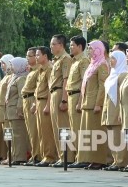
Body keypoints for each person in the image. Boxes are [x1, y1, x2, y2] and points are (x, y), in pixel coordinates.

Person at [75, 41, 109, 170]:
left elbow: (102, 86)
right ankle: (91, 159)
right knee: (88, 134)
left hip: (94, 104)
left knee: (96, 133)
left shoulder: (102, 64)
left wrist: (98, 104)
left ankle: (99, 160)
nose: (89, 51)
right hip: (87, 103)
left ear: (98, 50)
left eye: (91, 49)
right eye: (88, 48)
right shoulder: (92, 64)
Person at [49, 34, 74, 167]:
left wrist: (64, 100)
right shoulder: (57, 60)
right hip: (53, 93)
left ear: (61, 45)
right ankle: (61, 155)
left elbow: (66, 80)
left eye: (53, 44)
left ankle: (67, 156)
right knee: (56, 127)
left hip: (60, 92)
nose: (51, 47)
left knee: (63, 127)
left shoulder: (65, 59)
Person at [66, 36, 90, 167]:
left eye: (72, 45)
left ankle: (82, 158)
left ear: (80, 47)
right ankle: (77, 156)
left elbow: (84, 83)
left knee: (78, 129)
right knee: (73, 128)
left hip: (76, 96)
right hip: (70, 96)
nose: (70, 47)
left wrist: (80, 101)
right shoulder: (74, 61)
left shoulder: (83, 61)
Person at [102, 51, 128, 171]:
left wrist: (119, 112)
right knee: (111, 135)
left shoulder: (122, 74)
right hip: (109, 107)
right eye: (110, 58)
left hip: (117, 108)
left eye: (113, 58)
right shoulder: (112, 74)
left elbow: (122, 96)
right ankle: (115, 160)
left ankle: (121, 161)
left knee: (118, 135)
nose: (110, 60)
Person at [34, 46, 58, 167]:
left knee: (47, 131)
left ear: (45, 56)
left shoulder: (49, 68)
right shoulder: (40, 69)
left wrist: (48, 105)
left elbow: (50, 89)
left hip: (45, 102)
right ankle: (45, 155)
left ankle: (50, 156)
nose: (36, 57)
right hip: (39, 102)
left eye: (38, 55)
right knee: (41, 131)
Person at [6, 57, 31, 165]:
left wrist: (20, 108)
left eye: (12, 65)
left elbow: (21, 95)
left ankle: (20, 157)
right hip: (10, 110)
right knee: (14, 135)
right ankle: (15, 156)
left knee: (19, 135)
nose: (10, 67)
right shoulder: (14, 77)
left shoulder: (21, 78)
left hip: (16, 110)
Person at [20, 47, 42, 166]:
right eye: (27, 55)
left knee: (34, 130)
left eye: (30, 56)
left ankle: (37, 155)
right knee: (30, 130)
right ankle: (34, 154)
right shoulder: (31, 70)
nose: (27, 58)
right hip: (26, 99)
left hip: (32, 99)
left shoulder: (39, 70)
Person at [0, 54, 15, 164]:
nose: (2, 66)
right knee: (7, 134)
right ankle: (9, 155)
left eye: (3, 63)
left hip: (8, 109)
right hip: (2, 109)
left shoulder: (12, 76)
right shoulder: (6, 76)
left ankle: (12, 156)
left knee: (10, 133)